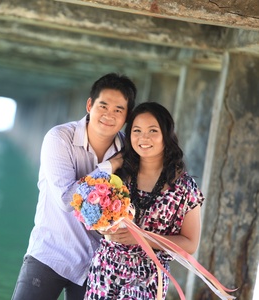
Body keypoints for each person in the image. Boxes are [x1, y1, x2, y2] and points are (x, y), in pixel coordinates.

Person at [11, 73, 137, 300]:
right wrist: (110, 165)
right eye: (103, 106)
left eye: (119, 110)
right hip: (50, 253)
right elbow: (68, 200)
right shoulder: (59, 138)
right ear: (89, 105)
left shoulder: (130, 149)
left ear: (127, 116)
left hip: (98, 263)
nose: (109, 115)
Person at [84, 101, 204, 299]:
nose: (143, 137)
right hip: (104, 269)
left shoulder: (184, 187)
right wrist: (103, 228)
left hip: (148, 277)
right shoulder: (118, 175)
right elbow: (93, 214)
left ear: (166, 135)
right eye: (137, 130)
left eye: (153, 131)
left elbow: (190, 243)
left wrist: (142, 238)